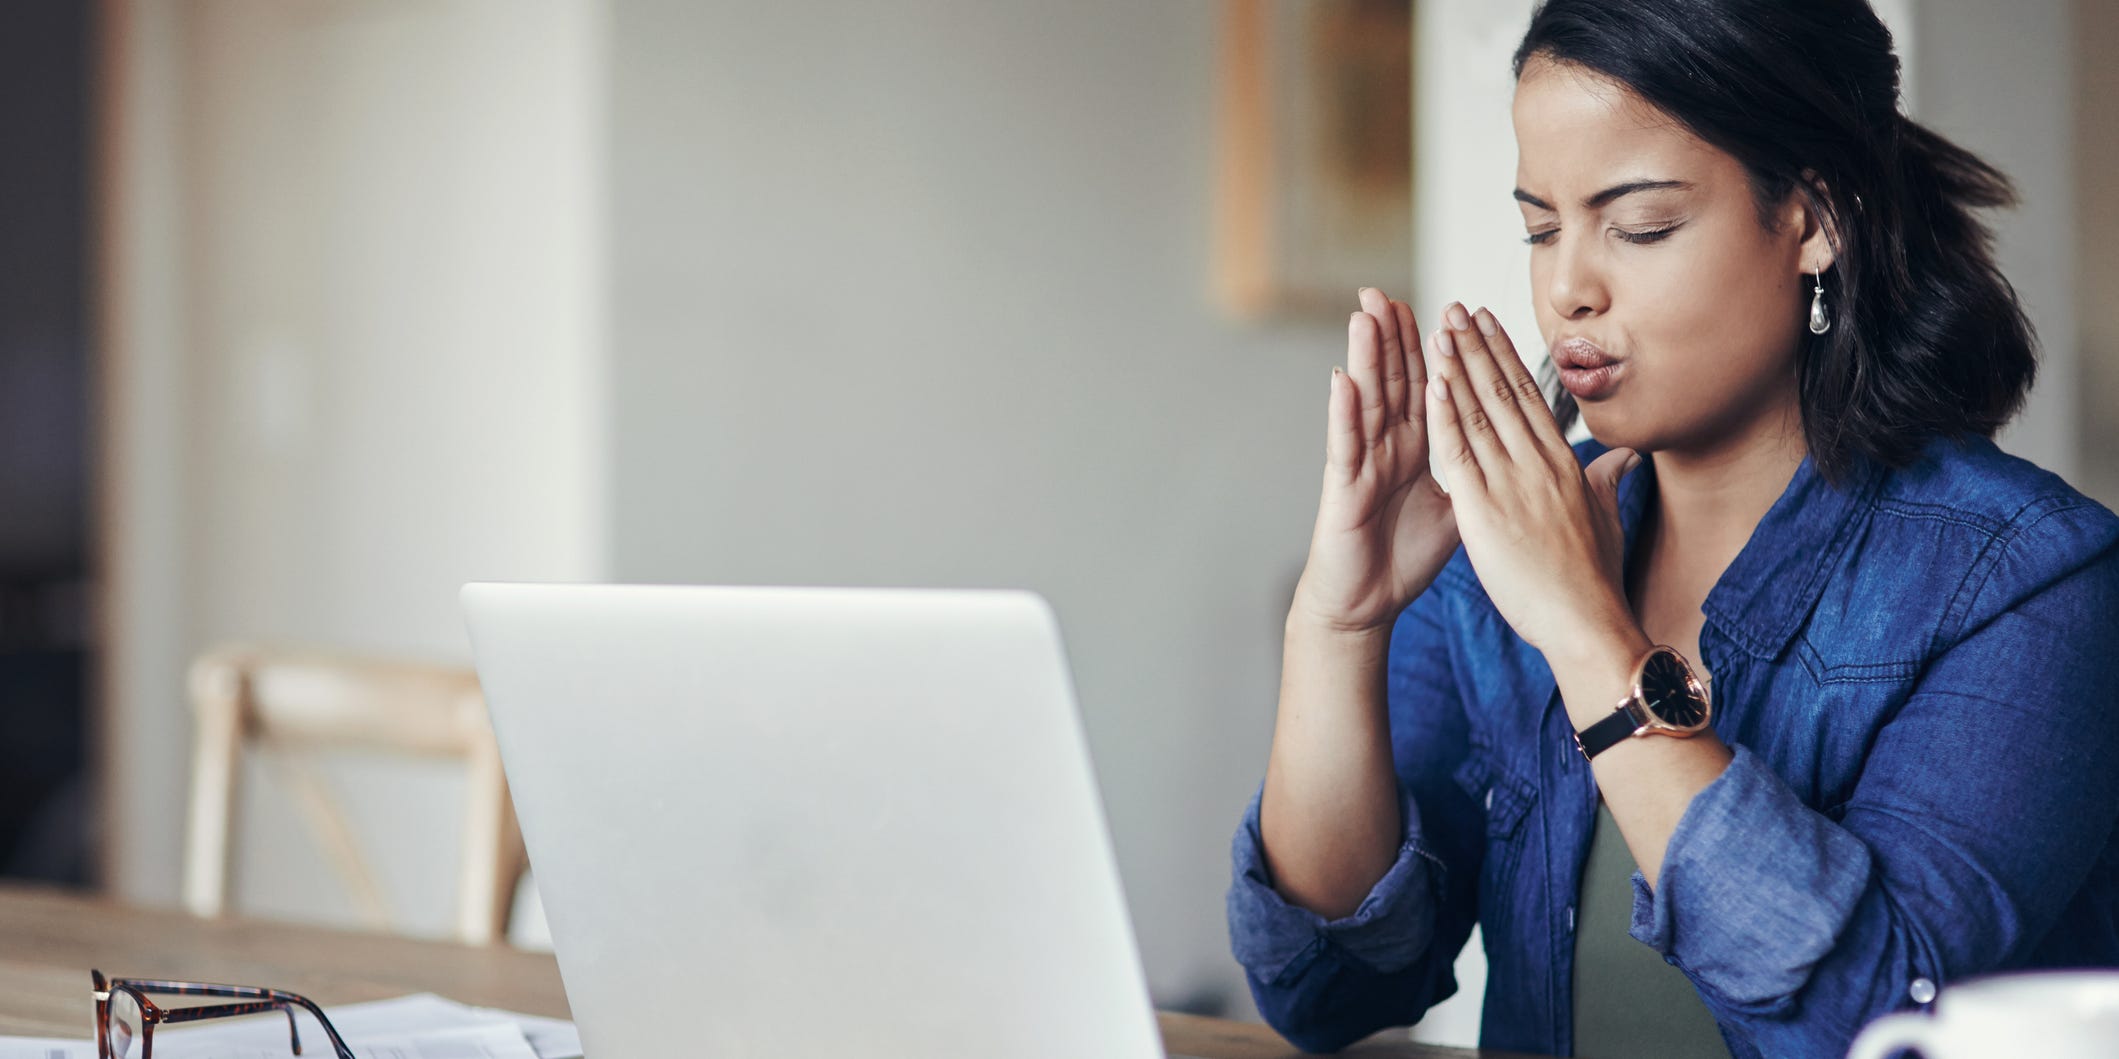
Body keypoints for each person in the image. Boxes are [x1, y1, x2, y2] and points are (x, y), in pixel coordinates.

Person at [1223, 1, 2119, 1056]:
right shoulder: (1496, 560)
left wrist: (1584, 628)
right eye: (1541, 228)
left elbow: (1866, 1022)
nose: (1567, 289)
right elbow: (1328, 990)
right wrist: (1340, 622)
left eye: (1638, 226)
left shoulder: (2026, 580)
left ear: (1815, 219)